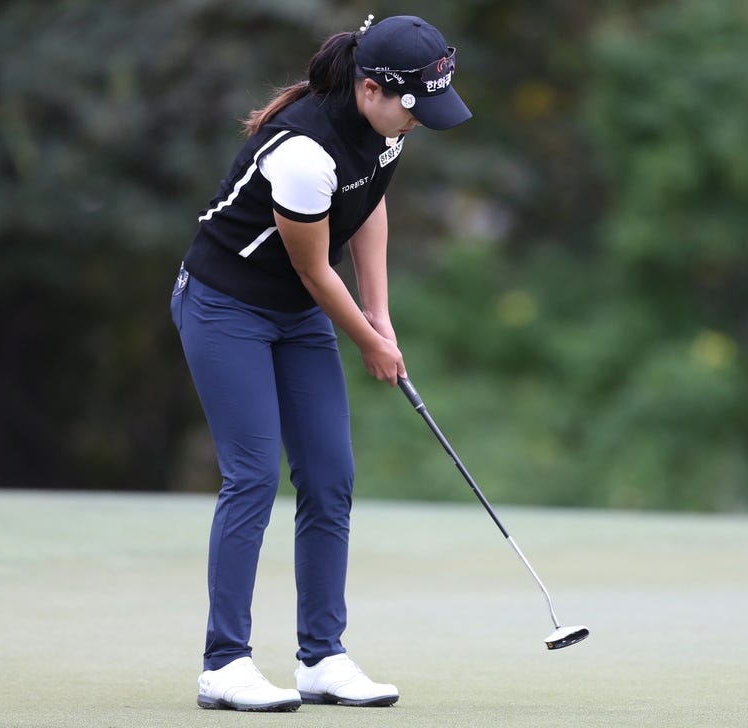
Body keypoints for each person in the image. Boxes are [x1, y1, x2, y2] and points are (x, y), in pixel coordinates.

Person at [169, 14, 471, 712]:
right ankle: (225, 664)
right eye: (413, 108)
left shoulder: (388, 127)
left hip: (298, 310)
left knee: (330, 477)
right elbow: (311, 270)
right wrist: (367, 341)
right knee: (251, 475)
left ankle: (322, 655)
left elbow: (367, 210)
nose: (418, 123)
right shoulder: (304, 151)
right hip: (226, 307)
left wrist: (382, 315)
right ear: (369, 88)